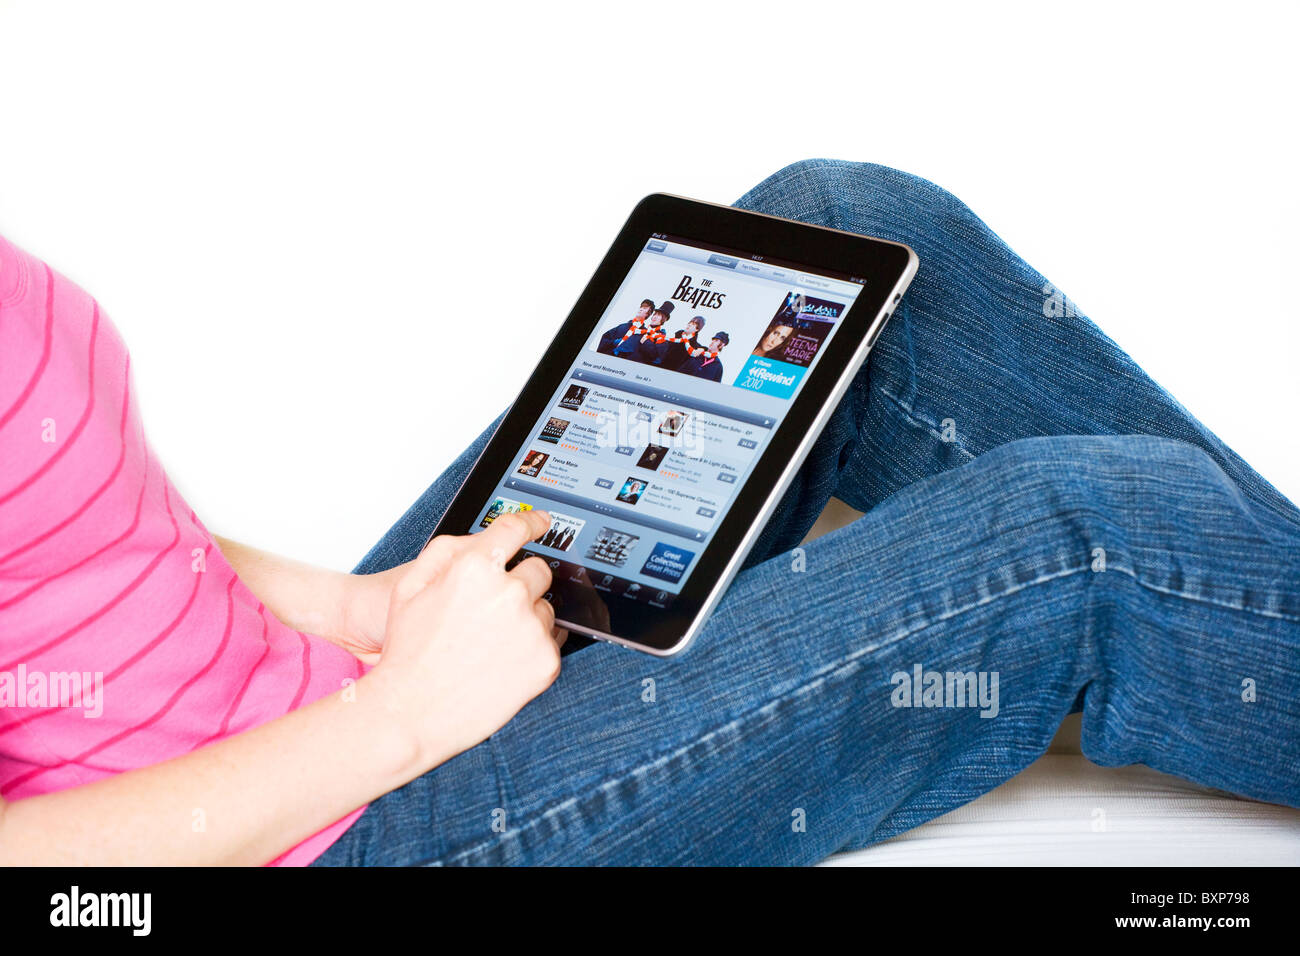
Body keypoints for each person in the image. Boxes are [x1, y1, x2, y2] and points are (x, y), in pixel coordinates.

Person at [0, 160, 1296, 868]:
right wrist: (396, 725)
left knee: (843, 242)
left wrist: (363, 611)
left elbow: (67, 519)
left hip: (342, 692)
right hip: (328, 829)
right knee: (1082, 534)